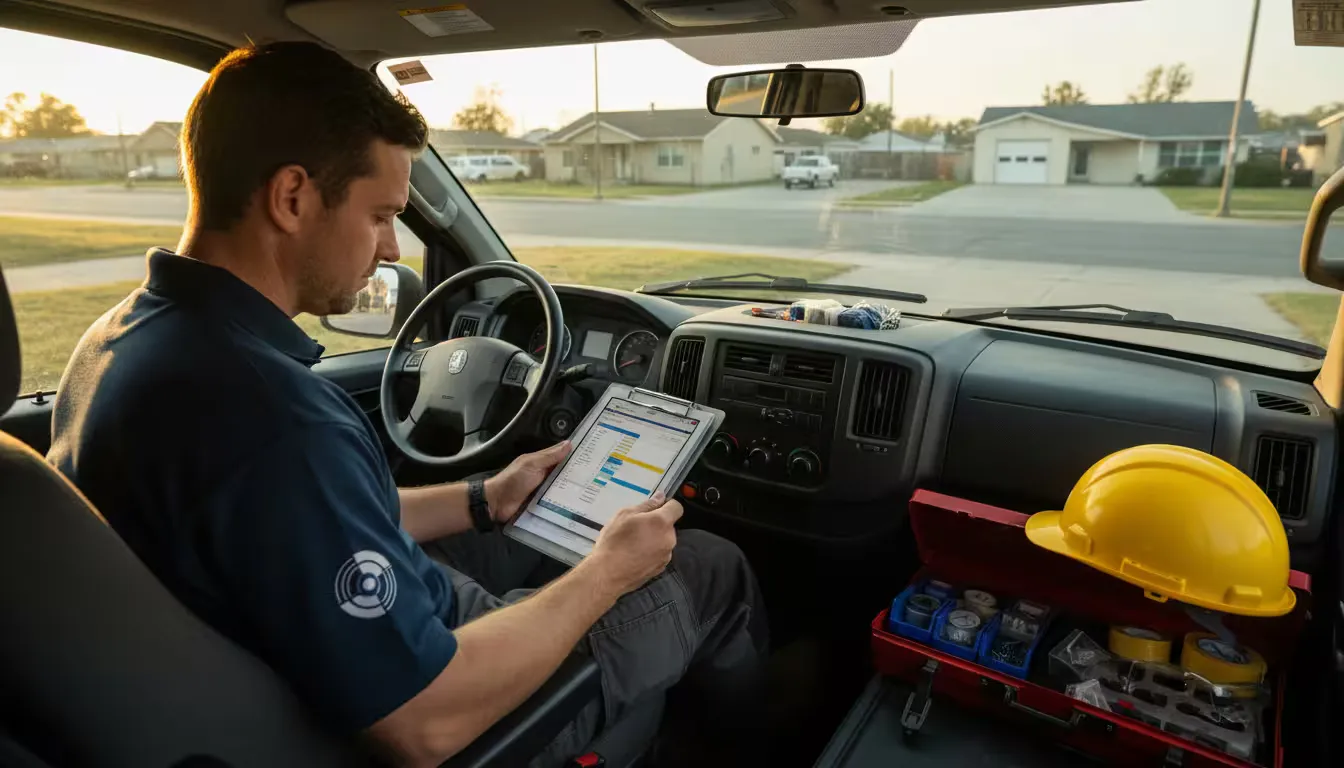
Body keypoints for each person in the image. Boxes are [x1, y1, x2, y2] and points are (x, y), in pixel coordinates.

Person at [47, 42, 768, 767]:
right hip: (445, 711)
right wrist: (606, 574)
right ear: (291, 197)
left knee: (552, 546)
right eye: (383, 215)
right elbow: (422, 722)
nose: (393, 248)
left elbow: (298, 520)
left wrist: (487, 496)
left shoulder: (120, 343)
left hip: (277, 660)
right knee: (708, 565)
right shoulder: (274, 420)